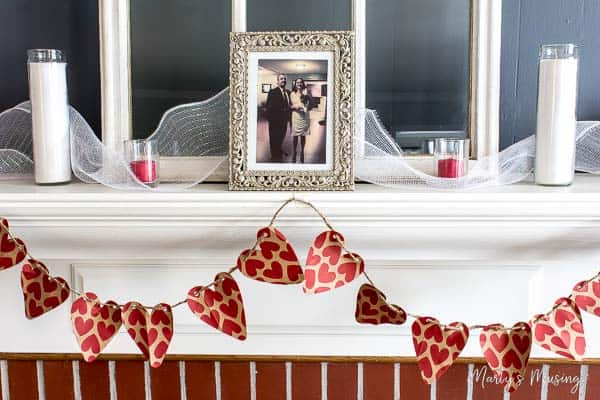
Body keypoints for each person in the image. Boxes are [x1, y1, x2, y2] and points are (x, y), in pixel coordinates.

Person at [265, 74, 291, 162]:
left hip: (284, 120)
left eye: (284, 79)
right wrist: (271, 120)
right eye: (281, 79)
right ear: (277, 81)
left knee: (281, 137)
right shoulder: (273, 91)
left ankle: (279, 150)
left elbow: (289, 105)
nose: (283, 80)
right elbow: (268, 106)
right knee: (274, 138)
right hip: (275, 121)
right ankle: (274, 156)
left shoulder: (288, 92)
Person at [290, 78, 313, 163]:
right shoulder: (292, 94)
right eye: (297, 82)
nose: (299, 84)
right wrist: (295, 107)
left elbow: (311, 104)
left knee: (303, 135)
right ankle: (294, 152)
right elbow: (290, 105)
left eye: (300, 82)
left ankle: (302, 152)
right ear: (295, 84)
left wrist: (306, 108)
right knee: (295, 135)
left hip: (304, 116)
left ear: (303, 84)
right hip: (296, 116)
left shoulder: (307, 92)